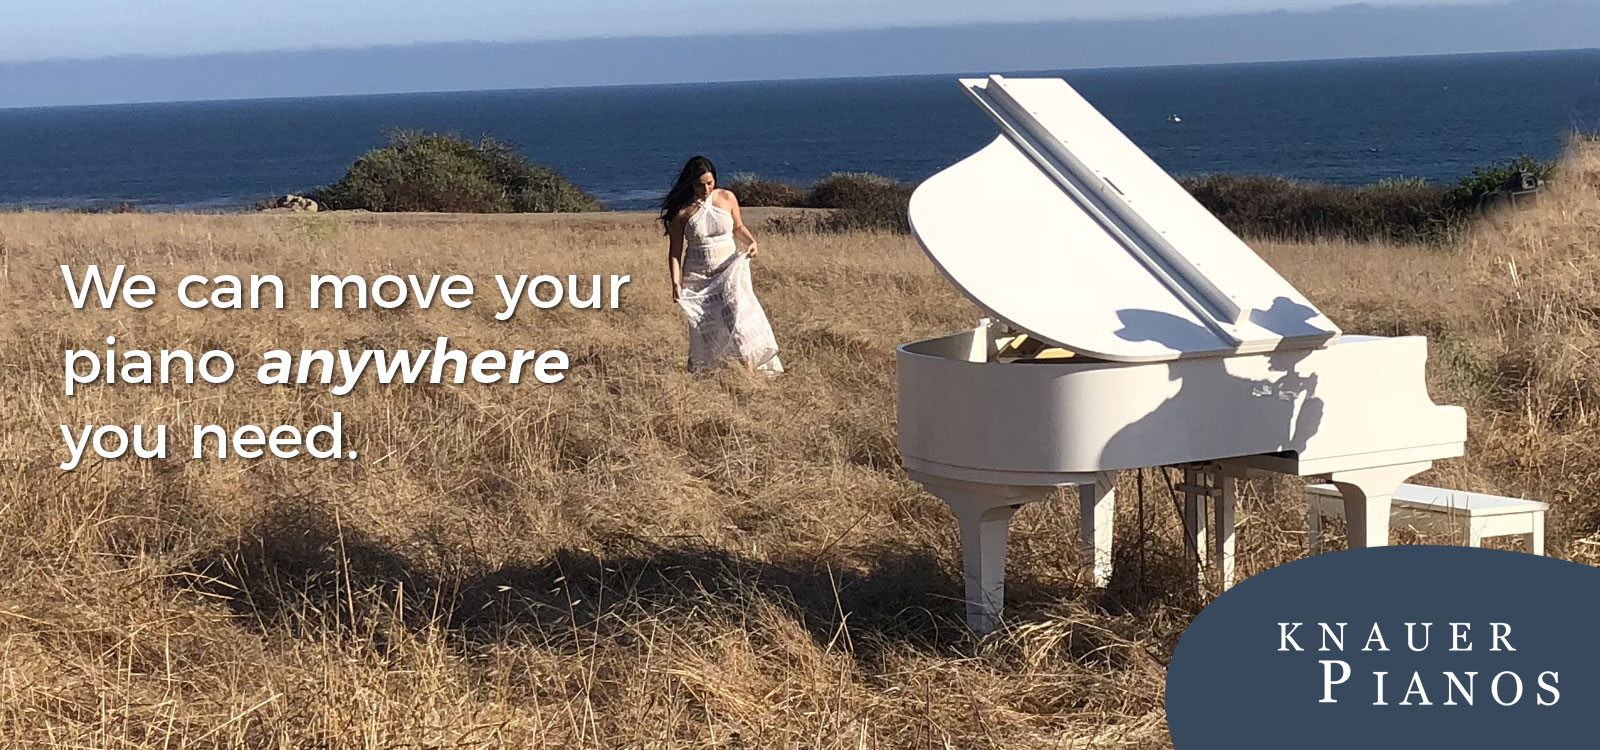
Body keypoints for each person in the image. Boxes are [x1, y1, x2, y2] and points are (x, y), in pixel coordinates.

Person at [660, 155, 783, 375]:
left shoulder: (727, 198)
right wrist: (675, 282)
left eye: (709, 183)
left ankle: (749, 367)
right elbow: (675, 252)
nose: (705, 189)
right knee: (705, 326)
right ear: (690, 184)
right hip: (697, 275)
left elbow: (737, 227)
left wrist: (752, 242)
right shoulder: (682, 212)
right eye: (699, 185)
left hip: (728, 269)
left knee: (736, 317)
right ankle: (705, 369)